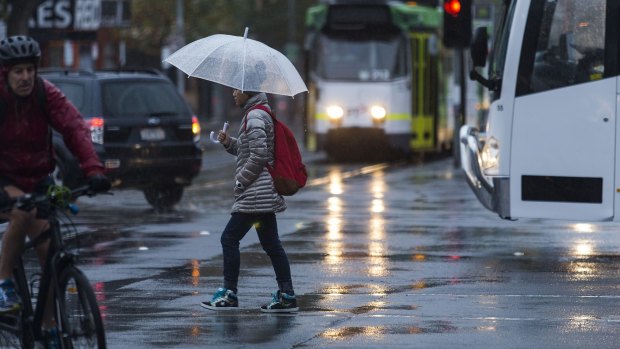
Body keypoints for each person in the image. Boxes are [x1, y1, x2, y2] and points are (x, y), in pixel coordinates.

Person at [0, 35, 110, 339]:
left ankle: (47, 326)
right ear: (5, 73)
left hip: (37, 177)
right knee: (21, 213)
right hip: (3, 179)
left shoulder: (45, 95)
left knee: (50, 251)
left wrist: (94, 170)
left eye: (30, 70)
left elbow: (74, 128)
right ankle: (4, 284)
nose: (25, 77)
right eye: (17, 71)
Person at [200, 88, 298, 313]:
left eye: (237, 90)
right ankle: (287, 295)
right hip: (262, 193)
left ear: (247, 92)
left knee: (229, 238)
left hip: (255, 193)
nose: (233, 93)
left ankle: (229, 293)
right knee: (272, 245)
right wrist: (229, 142)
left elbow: (259, 156)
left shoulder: (254, 116)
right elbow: (248, 151)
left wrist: (241, 181)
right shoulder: (257, 113)